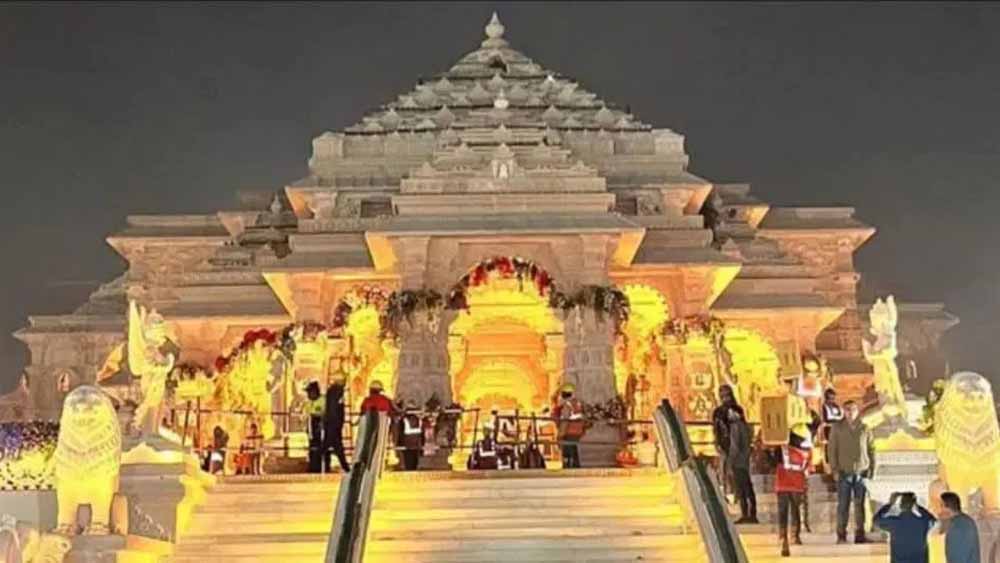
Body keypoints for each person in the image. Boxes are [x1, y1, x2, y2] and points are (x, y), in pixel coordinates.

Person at [828, 399, 875, 544]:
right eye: (847, 409)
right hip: (844, 472)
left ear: (857, 411)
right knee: (843, 505)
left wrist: (872, 469)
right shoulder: (837, 428)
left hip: (861, 472)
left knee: (860, 505)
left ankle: (860, 534)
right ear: (843, 411)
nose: (850, 412)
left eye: (853, 409)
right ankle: (841, 535)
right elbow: (831, 450)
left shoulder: (865, 428)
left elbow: (871, 449)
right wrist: (834, 469)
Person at [772, 424, 813, 557]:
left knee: (783, 511)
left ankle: (783, 535)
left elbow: (773, 462)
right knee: (795, 511)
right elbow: (808, 468)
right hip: (797, 485)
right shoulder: (808, 450)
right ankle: (795, 536)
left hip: (782, 484)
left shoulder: (782, 447)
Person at [874, 492, 937, 563]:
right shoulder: (923, 522)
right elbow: (933, 520)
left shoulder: (894, 522)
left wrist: (890, 504)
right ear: (913, 505)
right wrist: (919, 507)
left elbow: (876, 520)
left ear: (900, 505)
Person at [712, 384, 746, 493]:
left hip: (736, 443)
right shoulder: (718, 412)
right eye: (723, 395)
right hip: (724, 443)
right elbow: (716, 429)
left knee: (736, 469)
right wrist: (717, 443)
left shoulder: (737, 410)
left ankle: (737, 491)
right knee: (724, 468)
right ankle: (724, 490)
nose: (725, 398)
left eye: (727, 395)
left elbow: (742, 427)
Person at [727, 408, 757, 524]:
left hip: (738, 462)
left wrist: (730, 462)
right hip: (745, 461)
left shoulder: (735, 427)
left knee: (741, 489)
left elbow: (734, 446)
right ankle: (752, 513)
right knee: (748, 487)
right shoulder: (747, 427)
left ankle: (745, 514)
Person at [939, 492, 980, 563]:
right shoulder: (965, 521)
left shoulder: (958, 525)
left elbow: (958, 556)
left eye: (941, 506)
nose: (939, 511)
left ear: (946, 507)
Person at [553, 383, 585, 469]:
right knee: (573, 449)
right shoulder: (577, 403)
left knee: (567, 451)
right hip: (577, 431)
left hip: (568, 431)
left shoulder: (567, 405)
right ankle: (576, 466)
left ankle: (569, 467)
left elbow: (565, 421)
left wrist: (560, 435)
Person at [323, 379, 350, 473]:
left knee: (328, 446)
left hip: (331, 424)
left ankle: (323, 465)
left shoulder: (332, 392)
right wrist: (337, 424)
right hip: (334, 425)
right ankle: (345, 467)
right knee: (335, 446)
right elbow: (335, 410)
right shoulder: (337, 393)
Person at [302, 381, 325, 473]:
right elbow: (307, 414)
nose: (308, 394)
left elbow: (324, 414)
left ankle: (320, 467)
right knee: (312, 447)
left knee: (320, 447)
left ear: (314, 391)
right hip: (312, 426)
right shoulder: (309, 402)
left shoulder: (323, 401)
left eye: (309, 392)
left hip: (320, 426)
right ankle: (313, 466)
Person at [399, 402, 423, 471]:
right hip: (413, 445)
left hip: (409, 445)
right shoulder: (417, 419)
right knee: (412, 463)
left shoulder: (406, 419)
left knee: (410, 463)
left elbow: (401, 432)